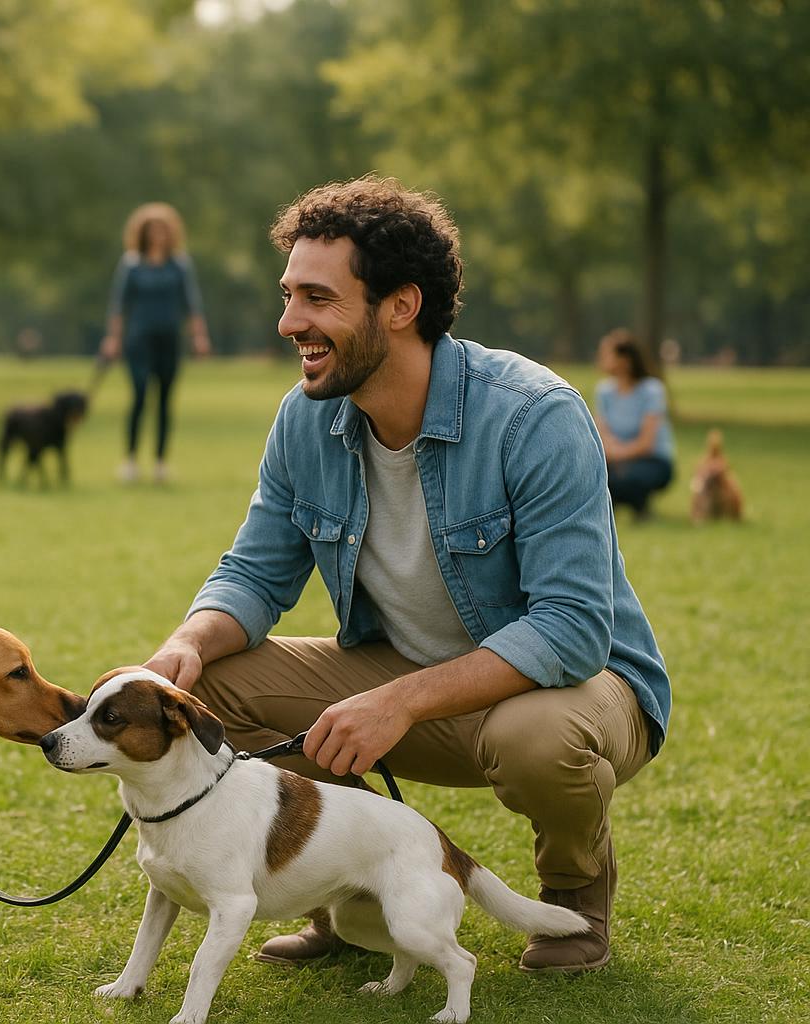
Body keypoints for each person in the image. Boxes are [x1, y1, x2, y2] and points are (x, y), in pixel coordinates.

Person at [137, 177, 669, 975]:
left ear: (401, 305)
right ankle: (339, 899)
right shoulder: (306, 416)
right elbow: (254, 571)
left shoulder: (534, 415)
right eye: (288, 296)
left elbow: (572, 628)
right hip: (406, 677)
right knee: (211, 682)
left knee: (539, 739)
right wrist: (187, 641)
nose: (289, 323)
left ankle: (574, 902)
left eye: (317, 299)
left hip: (573, 689)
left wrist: (398, 702)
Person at [99, 202, 211, 484]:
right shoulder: (131, 265)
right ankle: (131, 459)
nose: (158, 235)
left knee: (164, 399)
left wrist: (199, 336)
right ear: (143, 233)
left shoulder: (180, 265)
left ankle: (160, 461)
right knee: (139, 394)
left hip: (169, 339)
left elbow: (191, 304)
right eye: (153, 230)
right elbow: (118, 306)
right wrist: (113, 339)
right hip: (139, 339)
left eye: (163, 229)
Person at [594, 328, 675, 520]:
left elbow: (646, 444)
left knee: (627, 478)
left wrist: (618, 456)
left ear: (625, 360)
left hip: (652, 461)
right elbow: (602, 435)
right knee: (594, 476)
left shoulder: (652, 390)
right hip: (615, 459)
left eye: (607, 354)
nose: (601, 358)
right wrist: (612, 456)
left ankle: (639, 507)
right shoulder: (604, 392)